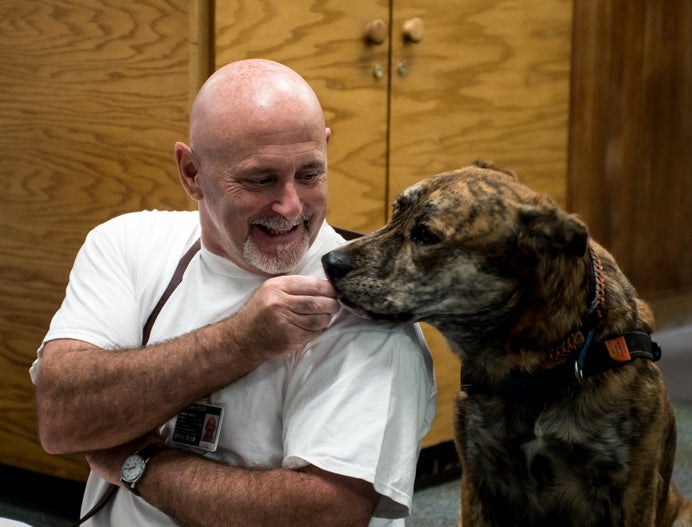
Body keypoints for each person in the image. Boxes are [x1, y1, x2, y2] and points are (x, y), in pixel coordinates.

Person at [29, 59, 436, 526]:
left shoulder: (363, 306)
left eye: (309, 174)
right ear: (191, 173)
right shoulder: (127, 244)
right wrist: (239, 342)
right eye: (260, 179)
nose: (291, 206)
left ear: (325, 148)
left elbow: (325, 515)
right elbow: (62, 419)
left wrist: (135, 464)